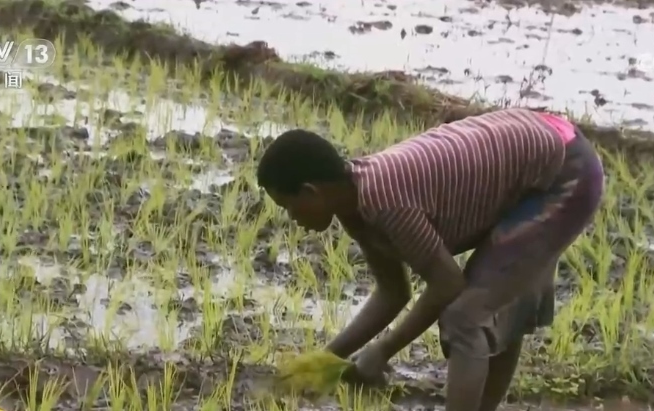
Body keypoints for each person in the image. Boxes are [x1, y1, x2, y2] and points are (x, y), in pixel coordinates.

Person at [256, 108, 604, 411]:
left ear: (311, 191)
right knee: (492, 306)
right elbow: (393, 293)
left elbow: (447, 283)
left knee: (466, 316)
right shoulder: (355, 208)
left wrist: (384, 349)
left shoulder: (386, 202)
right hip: (540, 145)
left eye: (288, 206)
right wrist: (325, 359)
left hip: (563, 172)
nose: (292, 217)